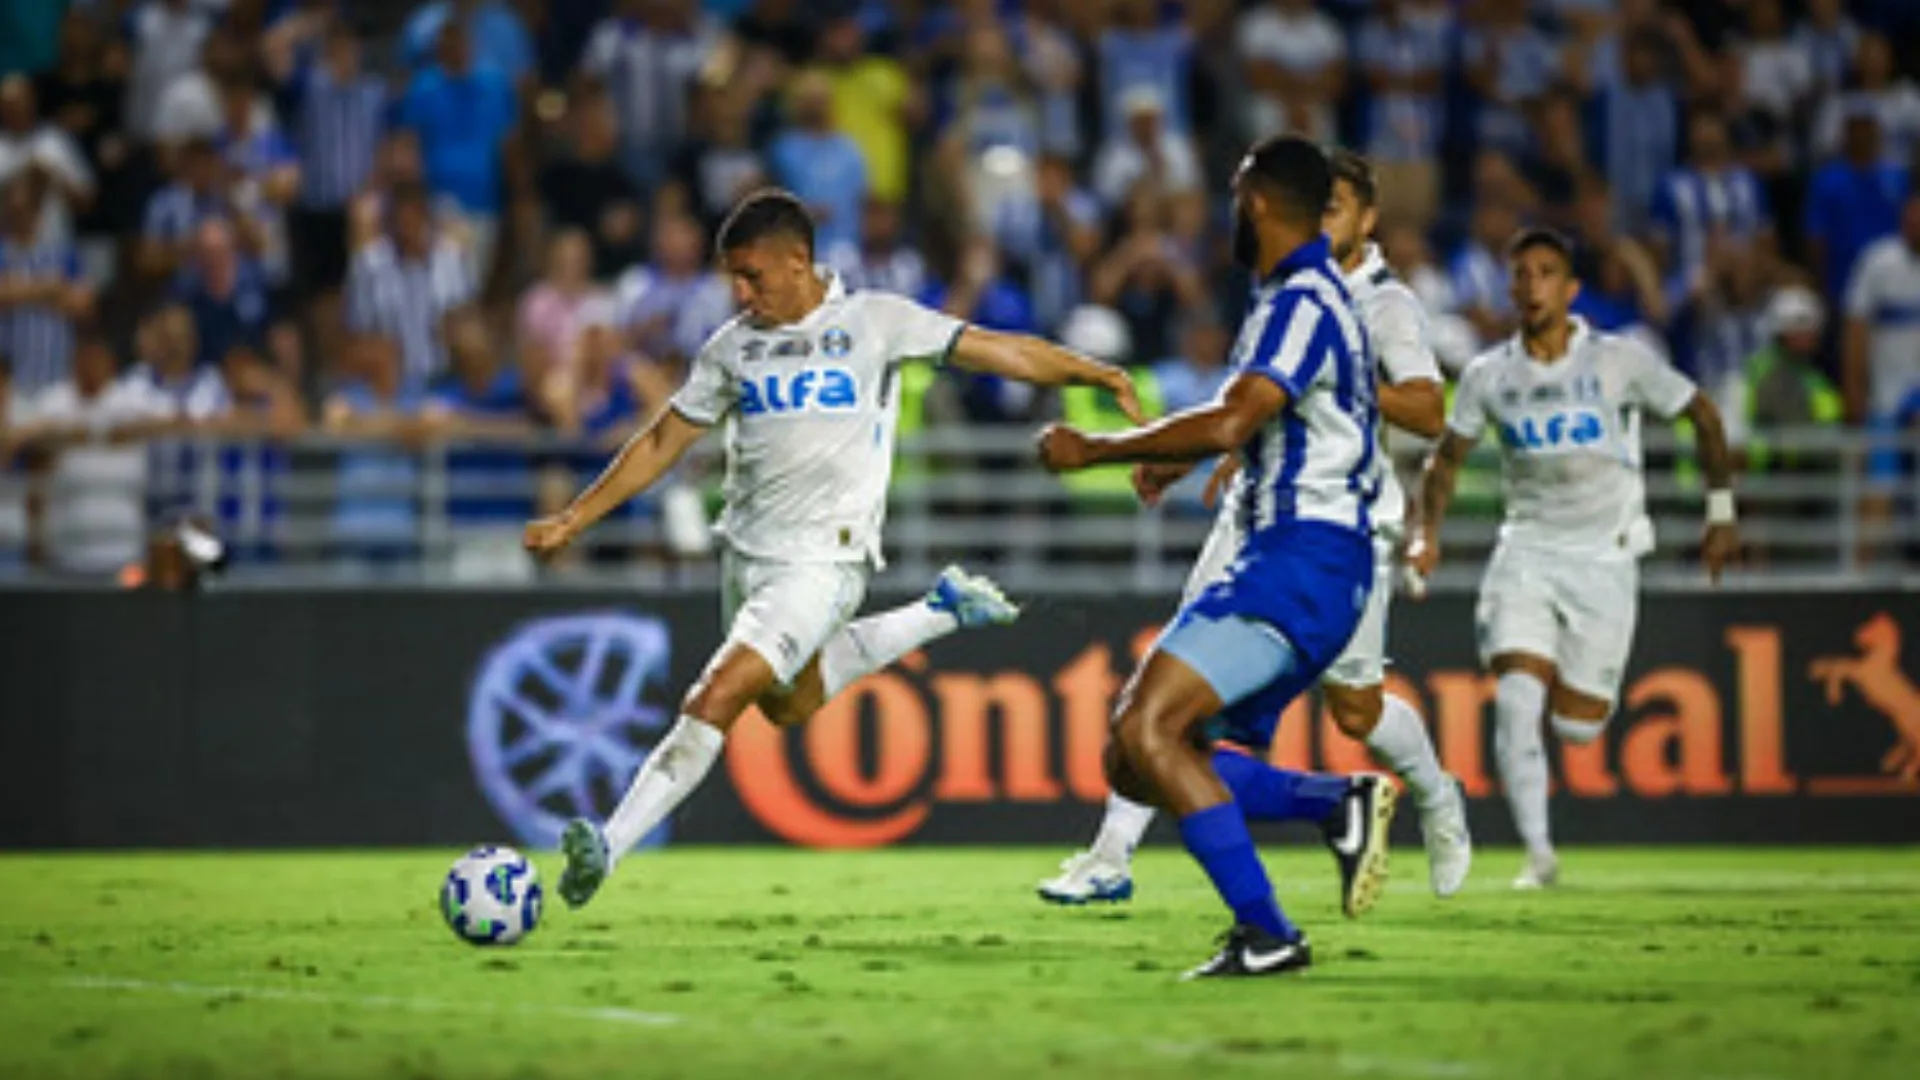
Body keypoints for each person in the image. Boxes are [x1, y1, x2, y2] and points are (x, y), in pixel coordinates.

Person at [523, 188, 1144, 909]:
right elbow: (664, 438)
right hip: (746, 558)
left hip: (824, 564)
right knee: (788, 706)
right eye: (734, 277)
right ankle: (939, 611)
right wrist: (577, 517)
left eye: (753, 275)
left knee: (716, 694)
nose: (741, 291)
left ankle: (608, 842)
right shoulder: (731, 347)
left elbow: (996, 350)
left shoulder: (875, 321)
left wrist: (1092, 371)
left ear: (799, 261)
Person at [1038, 149, 1473, 908]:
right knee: (1162, 698)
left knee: (1354, 709)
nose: (1322, 219)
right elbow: (1247, 408)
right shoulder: (1280, 293)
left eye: (1337, 208)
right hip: (1260, 511)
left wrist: (1330, 386)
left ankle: (1429, 795)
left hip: (1338, 526)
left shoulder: (1371, 304)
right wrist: (1199, 450)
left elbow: (1429, 411)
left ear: (1366, 220)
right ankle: (1114, 854)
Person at [1409, 228, 1740, 890]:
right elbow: (1445, 459)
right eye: (1521, 274)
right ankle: (1539, 857)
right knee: (1515, 698)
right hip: (1526, 550)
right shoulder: (1488, 375)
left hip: (1606, 559)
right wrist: (1426, 534)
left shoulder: (1619, 361)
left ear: (1570, 289)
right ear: (1511, 289)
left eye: (1545, 272)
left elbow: (1702, 414)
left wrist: (1721, 513)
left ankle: (1574, 694)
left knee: (1578, 727)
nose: (1531, 285)